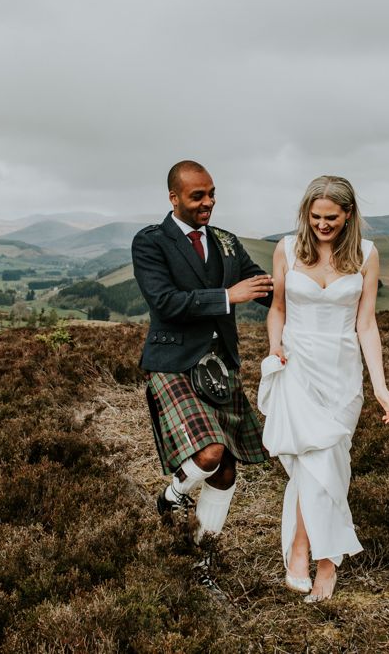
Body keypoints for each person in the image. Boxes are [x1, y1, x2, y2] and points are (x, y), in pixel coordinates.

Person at [258, 175, 389, 603]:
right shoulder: (286, 249)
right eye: (315, 217)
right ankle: (312, 556)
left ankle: (320, 558)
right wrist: (274, 347)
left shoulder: (366, 255)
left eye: (331, 218)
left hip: (342, 374)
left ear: (348, 215)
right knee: (310, 462)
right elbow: (277, 310)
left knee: (330, 463)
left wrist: (380, 385)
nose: (322, 225)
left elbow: (367, 323)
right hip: (298, 368)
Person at [132, 160, 273, 565]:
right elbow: (165, 302)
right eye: (198, 196)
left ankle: (199, 554)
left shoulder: (226, 241)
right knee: (209, 454)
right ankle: (171, 498)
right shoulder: (151, 242)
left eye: (212, 194)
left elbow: (262, 288)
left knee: (226, 472)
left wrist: (316, 294)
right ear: (174, 197)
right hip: (173, 363)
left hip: (220, 367)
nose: (208, 202)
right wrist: (229, 296)